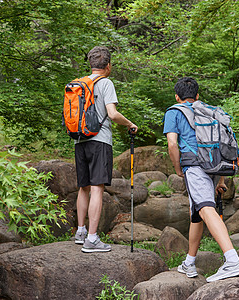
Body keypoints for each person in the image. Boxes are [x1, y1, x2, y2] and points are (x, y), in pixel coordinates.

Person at [163, 77, 239, 282]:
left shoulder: (174, 112)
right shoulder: (209, 110)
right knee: (197, 213)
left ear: (177, 96)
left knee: (205, 209)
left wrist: (178, 169)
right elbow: (217, 145)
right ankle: (190, 262)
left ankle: (232, 260)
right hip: (212, 166)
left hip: (193, 166)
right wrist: (220, 180)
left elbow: (172, 144)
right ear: (197, 96)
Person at [74, 46, 138, 253]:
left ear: (90, 64)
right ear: (108, 65)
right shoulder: (105, 82)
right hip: (99, 141)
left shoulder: (79, 83)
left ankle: (81, 232)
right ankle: (92, 239)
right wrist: (129, 124)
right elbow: (112, 114)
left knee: (83, 187)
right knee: (97, 188)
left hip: (79, 140)